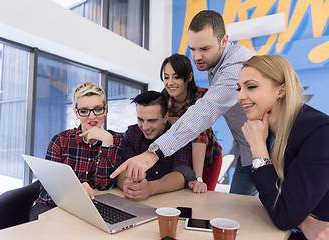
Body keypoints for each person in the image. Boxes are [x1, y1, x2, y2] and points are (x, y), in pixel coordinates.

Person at [111, 10, 256, 196]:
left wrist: (154, 153)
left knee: (277, 211)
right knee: (244, 207)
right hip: (247, 149)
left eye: (204, 49)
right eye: (192, 49)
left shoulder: (235, 68)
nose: (196, 57)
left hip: (264, 149)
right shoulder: (165, 98)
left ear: (224, 41)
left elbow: (204, 114)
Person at [237, 55, 329, 239]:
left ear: (282, 90)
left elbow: (284, 216)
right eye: (238, 88)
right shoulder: (266, 130)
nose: (240, 97)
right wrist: (304, 221)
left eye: (251, 86)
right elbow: (277, 203)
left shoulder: (319, 133)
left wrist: (258, 148)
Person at [29, 81, 124, 220]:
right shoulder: (60, 141)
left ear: (106, 109)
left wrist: (107, 143)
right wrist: (75, 192)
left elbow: (103, 185)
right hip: (52, 207)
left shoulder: (116, 140)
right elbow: (47, 191)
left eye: (98, 109)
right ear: (76, 112)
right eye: (84, 111)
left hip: (90, 209)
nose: (92, 117)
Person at [116, 91, 195, 201]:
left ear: (165, 117)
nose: (145, 127)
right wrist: (127, 185)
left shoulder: (178, 135)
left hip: (172, 202)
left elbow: (183, 173)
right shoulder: (132, 133)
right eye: (140, 119)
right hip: (138, 203)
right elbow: (122, 168)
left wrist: (150, 188)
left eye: (152, 120)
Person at [160, 53, 222, 193]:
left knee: (201, 197)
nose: (170, 82)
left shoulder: (203, 96)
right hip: (181, 161)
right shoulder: (163, 99)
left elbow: (199, 132)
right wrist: (168, 120)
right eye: (166, 77)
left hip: (207, 159)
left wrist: (198, 179)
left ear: (189, 77)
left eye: (176, 77)